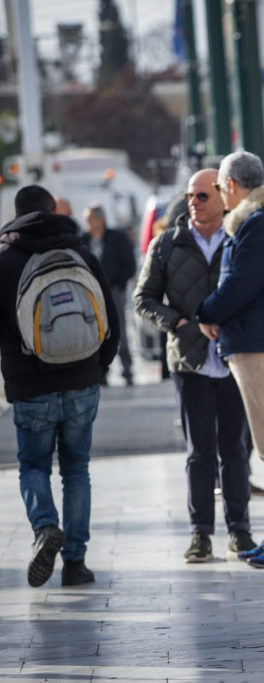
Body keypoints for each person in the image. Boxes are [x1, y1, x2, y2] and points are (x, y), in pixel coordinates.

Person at [0, 184, 121, 587]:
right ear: (53, 211)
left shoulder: (4, 257)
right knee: (76, 469)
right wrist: (97, 368)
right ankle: (75, 563)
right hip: (82, 377)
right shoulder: (81, 252)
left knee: (34, 465)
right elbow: (111, 317)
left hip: (29, 382)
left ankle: (44, 527)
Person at [134, 169, 254, 563]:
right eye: (190, 195)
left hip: (234, 358)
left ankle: (240, 531)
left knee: (235, 450)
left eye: (203, 195)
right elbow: (144, 299)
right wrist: (180, 324)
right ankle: (200, 534)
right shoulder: (167, 244)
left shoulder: (240, 238)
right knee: (198, 452)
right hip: (189, 362)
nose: (194, 202)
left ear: (222, 196)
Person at [195, 150, 264, 568]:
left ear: (233, 187)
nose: (221, 194)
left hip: (259, 347)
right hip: (256, 342)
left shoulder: (259, 225)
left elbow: (240, 284)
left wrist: (206, 312)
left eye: (220, 187)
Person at [82, 203, 136, 386]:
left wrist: (119, 284)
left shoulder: (117, 238)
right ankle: (101, 371)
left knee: (119, 329)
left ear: (101, 219)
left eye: (90, 219)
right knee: (96, 332)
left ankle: (127, 368)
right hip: (91, 293)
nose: (87, 223)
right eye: (86, 220)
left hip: (113, 291)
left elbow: (129, 263)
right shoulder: (83, 240)